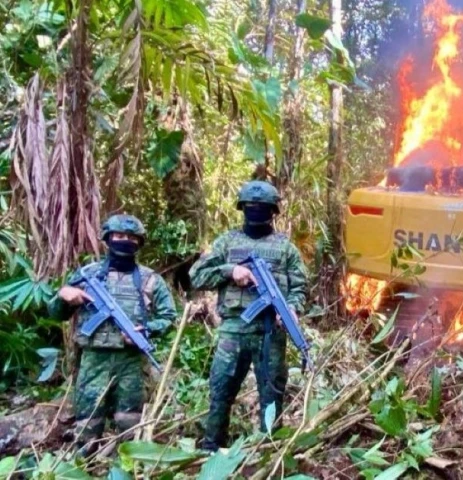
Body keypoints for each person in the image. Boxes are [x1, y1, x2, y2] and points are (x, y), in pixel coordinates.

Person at [189, 180, 309, 452]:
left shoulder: (285, 248)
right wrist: (230, 271)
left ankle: (268, 451)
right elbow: (196, 275)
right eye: (251, 207)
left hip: (270, 333)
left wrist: (292, 307)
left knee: (272, 394)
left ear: (273, 211)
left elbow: (300, 286)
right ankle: (211, 448)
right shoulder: (227, 243)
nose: (256, 211)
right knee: (221, 391)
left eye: (263, 207)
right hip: (233, 330)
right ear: (242, 208)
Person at [47, 214, 177, 454]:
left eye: (131, 237)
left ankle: (125, 467)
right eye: (119, 236)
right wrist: (64, 296)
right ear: (108, 238)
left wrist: (147, 330)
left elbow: (169, 318)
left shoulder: (150, 280)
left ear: (139, 242)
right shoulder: (89, 274)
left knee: (130, 422)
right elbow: (56, 313)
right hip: (93, 359)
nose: (125, 241)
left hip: (132, 362)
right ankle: (82, 465)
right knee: (87, 421)